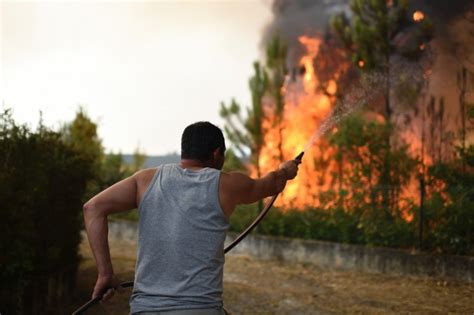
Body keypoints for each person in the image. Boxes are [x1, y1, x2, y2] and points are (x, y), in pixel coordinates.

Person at [83, 121, 300, 314]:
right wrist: (285, 170)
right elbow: (270, 184)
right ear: (217, 154)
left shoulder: (144, 180)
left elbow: (92, 208)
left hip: (144, 309)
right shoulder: (227, 184)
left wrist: (105, 273)